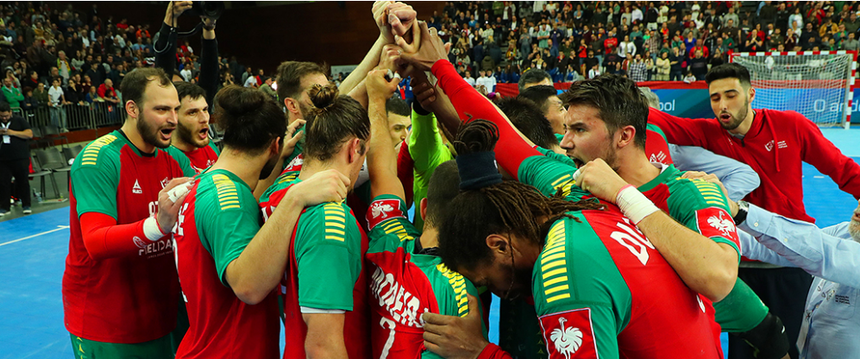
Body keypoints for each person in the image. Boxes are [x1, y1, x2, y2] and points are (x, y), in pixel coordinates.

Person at [398, 23, 725, 358]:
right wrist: (437, 72)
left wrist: (482, 354)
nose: (565, 142)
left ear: (624, 135)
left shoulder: (563, 267)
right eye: (566, 128)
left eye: (579, 129)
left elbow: (723, 282)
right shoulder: (578, 191)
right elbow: (503, 138)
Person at [648, 62, 860, 359]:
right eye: (715, 98)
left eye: (731, 95)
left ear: (751, 94)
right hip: (740, 263)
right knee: (743, 352)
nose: (723, 105)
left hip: (791, 261)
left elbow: (842, 169)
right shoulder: (708, 133)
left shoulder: (791, 125)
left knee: (790, 349)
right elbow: (660, 120)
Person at [173, 85, 346, 359]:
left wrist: (279, 160)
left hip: (206, 345)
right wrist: (295, 198)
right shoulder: (229, 201)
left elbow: (248, 195)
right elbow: (248, 287)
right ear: (274, 144)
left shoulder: (211, 181)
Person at [62, 67, 196, 358]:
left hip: (163, 312)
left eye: (175, 109)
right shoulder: (98, 159)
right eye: (161, 109)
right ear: (132, 109)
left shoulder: (175, 159)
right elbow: (95, 242)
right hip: (108, 320)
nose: (173, 119)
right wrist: (159, 225)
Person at [362, 67, 492, 359]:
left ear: (422, 207)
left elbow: (383, 170)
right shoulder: (463, 293)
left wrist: (376, 98)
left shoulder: (387, 238)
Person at [257, 83, 371, 359]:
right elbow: (323, 347)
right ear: (354, 149)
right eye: (365, 154)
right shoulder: (330, 220)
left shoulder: (280, 192)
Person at [692, 173, 860, 359]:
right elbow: (778, 248)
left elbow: (817, 249)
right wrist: (706, 226)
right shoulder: (844, 232)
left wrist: (739, 211)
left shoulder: (830, 251)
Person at [170, 82, 219, 173]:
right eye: (192, 112)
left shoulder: (209, 145)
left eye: (205, 110)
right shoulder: (167, 159)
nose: (204, 119)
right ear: (173, 117)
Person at [0, 102, 33, 216]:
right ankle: (4, 207)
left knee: (22, 181)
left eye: (6, 116)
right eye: (2, 116)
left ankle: (26, 205)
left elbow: (29, 134)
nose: (4, 118)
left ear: (10, 112)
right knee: (3, 182)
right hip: (3, 159)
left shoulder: (19, 120)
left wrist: (12, 132)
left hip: (20, 157)